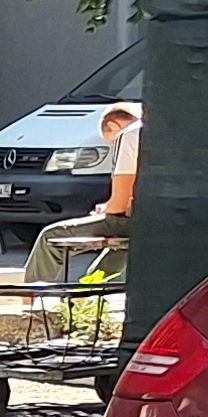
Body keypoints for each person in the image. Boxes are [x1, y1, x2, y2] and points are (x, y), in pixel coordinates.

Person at [28, 101, 140, 287]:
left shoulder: (129, 135)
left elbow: (118, 206)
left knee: (49, 236)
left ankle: (32, 298)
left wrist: (106, 208)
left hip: (140, 220)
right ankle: (91, 291)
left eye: (112, 143)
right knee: (118, 248)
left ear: (113, 126)